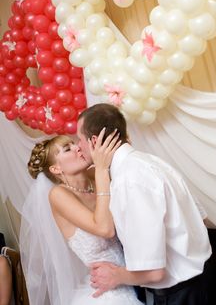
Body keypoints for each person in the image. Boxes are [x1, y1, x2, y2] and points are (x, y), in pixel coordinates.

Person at [77, 103, 212, 305]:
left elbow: (153, 272)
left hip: (181, 295)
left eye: (79, 139)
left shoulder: (129, 181)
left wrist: (116, 276)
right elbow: (199, 218)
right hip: (203, 281)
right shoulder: (153, 162)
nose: (78, 147)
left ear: (94, 141)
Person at [20, 131, 144, 305]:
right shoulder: (58, 195)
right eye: (67, 148)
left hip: (137, 274)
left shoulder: (96, 176)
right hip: (109, 291)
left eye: (74, 143)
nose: (77, 147)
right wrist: (101, 169)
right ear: (56, 169)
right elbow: (105, 229)